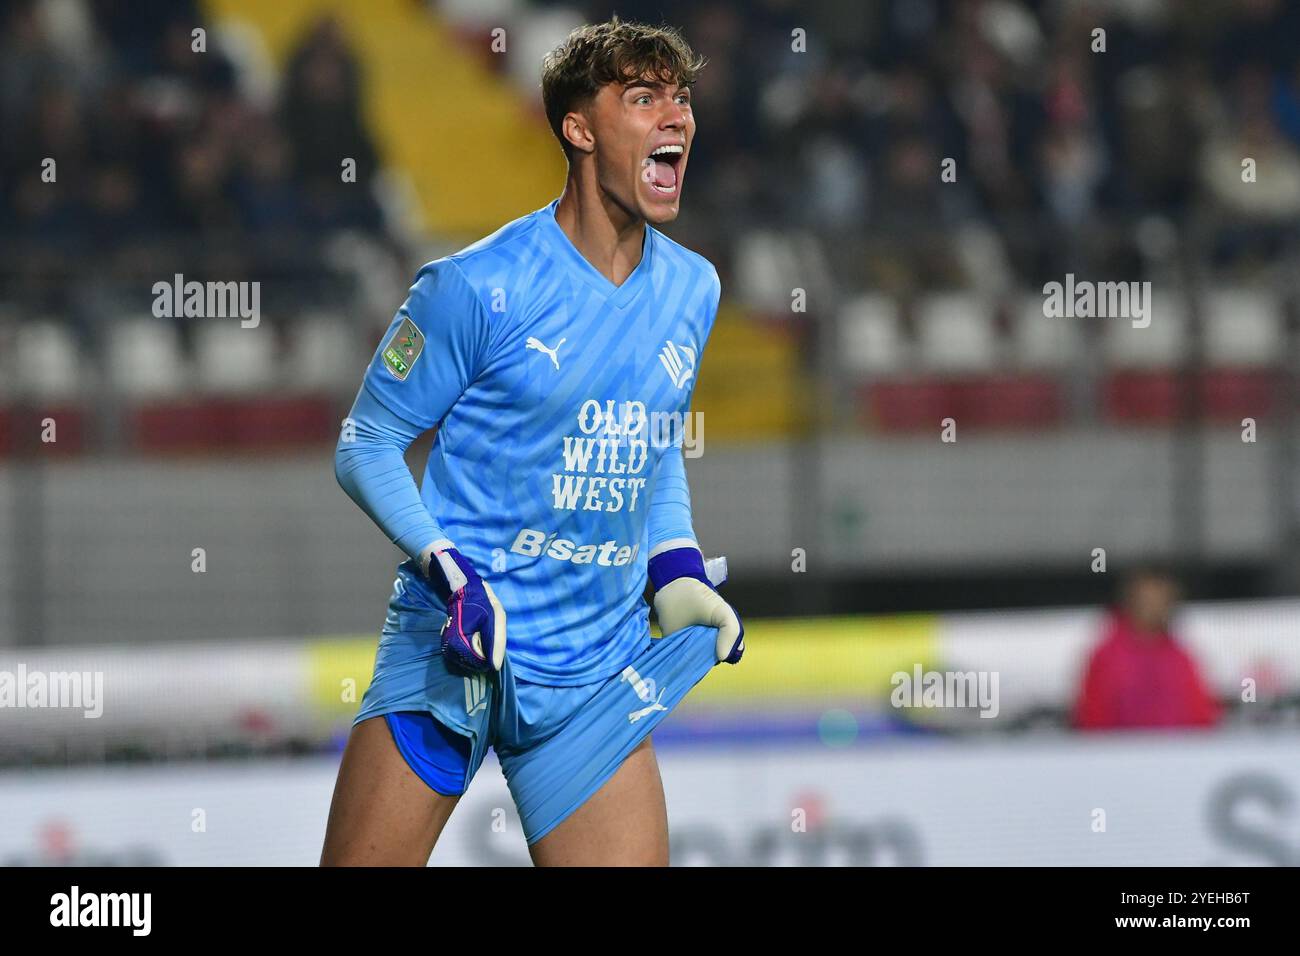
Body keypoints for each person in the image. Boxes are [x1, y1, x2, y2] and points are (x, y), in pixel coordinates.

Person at [320, 18, 743, 867]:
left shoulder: (694, 288)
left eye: (682, 99)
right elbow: (367, 441)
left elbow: (649, 439)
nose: (677, 119)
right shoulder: (475, 286)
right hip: (458, 652)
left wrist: (676, 562)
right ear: (577, 129)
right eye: (643, 97)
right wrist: (449, 570)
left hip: (592, 671)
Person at [1073, 566, 1220, 731]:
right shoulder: (1106, 659)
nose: (1154, 609)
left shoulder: (1181, 658)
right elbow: (1092, 720)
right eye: (1148, 601)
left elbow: (1201, 716)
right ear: (1131, 602)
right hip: (1119, 753)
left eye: (1161, 602)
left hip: (1176, 752)